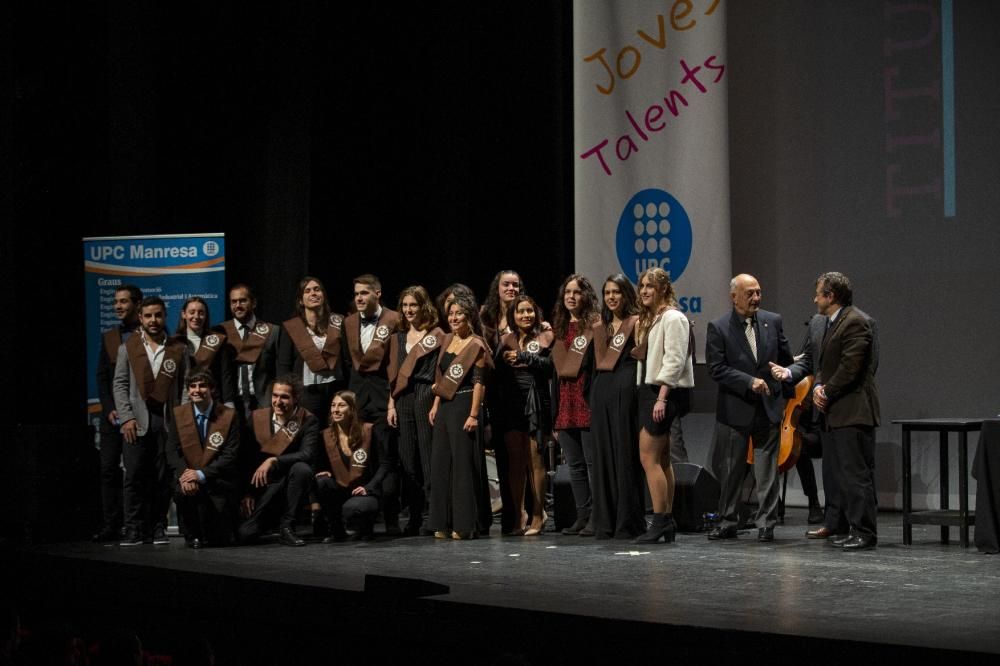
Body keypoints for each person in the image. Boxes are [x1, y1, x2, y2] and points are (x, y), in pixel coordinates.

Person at [774, 272, 880, 550]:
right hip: (832, 412)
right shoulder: (824, 323)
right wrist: (814, 382)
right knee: (836, 473)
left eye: (818, 293)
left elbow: (851, 367)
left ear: (831, 296)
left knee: (856, 475)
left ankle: (864, 531)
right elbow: (818, 363)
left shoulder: (856, 322)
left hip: (852, 410)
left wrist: (825, 389)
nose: (814, 298)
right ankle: (839, 523)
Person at [705, 273, 793, 542]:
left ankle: (766, 523)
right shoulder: (718, 327)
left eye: (758, 292)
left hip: (768, 408)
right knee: (731, 470)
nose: (756, 298)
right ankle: (728, 520)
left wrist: (785, 387)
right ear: (734, 297)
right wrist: (748, 381)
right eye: (749, 293)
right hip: (735, 409)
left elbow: (785, 360)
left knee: (767, 471)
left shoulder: (772, 321)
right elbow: (716, 369)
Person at [113, 296, 188, 546]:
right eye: (148, 316)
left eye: (157, 315)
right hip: (136, 422)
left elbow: (186, 386)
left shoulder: (178, 349)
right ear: (141, 318)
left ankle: (158, 527)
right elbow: (120, 385)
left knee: (162, 477)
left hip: (167, 422)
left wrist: (182, 420)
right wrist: (126, 418)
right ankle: (134, 529)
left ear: (165, 316)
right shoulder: (128, 348)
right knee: (134, 477)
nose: (153, 320)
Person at [632, 268, 694, 544]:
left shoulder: (673, 318)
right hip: (652, 389)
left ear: (663, 289)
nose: (645, 291)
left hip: (662, 391)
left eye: (650, 286)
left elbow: (676, 358)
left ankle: (658, 521)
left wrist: (661, 397)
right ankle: (666, 521)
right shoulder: (653, 318)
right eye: (642, 286)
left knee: (649, 458)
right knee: (663, 458)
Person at [427, 295, 492, 540]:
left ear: (469, 316)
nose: (453, 318)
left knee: (463, 465)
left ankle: (464, 524)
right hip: (444, 407)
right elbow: (440, 377)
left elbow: (479, 383)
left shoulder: (476, 344)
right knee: (441, 463)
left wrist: (474, 414)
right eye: (451, 314)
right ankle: (441, 521)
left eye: (459, 314)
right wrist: (435, 404)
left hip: (465, 404)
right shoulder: (449, 340)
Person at [343, 274, 401, 533]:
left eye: (364, 293)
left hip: (383, 397)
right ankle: (362, 517)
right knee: (362, 456)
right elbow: (347, 363)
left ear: (378, 293)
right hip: (358, 400)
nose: (359, 298)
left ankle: (391, 519)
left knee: (386, 457)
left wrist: (392, 399)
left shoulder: (394, 319)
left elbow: (398, 362)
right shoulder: (349, 322)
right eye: (356, 293)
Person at [589, 274, 646, 539]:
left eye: (617, 292)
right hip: (601, 392)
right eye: (607, 292)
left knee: (624, 454)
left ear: (626, 295)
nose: (611, 297)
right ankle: (605, 521)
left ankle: (627, 521)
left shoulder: (635, 323)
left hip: (625, 391)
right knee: (603, 456)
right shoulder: (599, 325)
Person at [387, 286, 446, 536]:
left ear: (424, 307)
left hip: (425, 395)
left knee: (428, 459)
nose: (409, 310)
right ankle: (413, 516)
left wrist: (436, 403)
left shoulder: (437, 335)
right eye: (405, 306)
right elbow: (392, 375)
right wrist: (391, 404)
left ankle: (434, 516)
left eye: (414, 305)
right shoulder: (397, 338)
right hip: (402, 400)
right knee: (408, 462)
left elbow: (439, 373)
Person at [237, 374, 320, 546]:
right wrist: (247, 492)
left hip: (291, 487)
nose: (278, 401)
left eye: (284, 397)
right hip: (263, 489)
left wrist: (274, 460)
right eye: (275, 396)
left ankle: (287, 527)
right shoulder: (256, 418)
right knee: (246, 534)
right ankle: (269, 526)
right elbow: (244, 458)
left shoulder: (307, 420)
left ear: (296, 398)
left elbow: (307, 454)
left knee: (301, 468)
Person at [495, 295, 554, 536]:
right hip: (511, 402)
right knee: (515, 463)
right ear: (513, 315)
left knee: (536, 461)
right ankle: (519, 514)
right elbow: (496, 372)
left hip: (536, 401)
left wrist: (524, 357)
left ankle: (539, 515)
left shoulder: (546, 335)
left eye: (530, 310)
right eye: (521, 311)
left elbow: (551, 368)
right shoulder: (505, 339)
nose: (525, 315)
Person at [165, 370, 240, 548]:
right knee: (181, 491)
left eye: (202, 385)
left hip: (217, 479)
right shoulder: (179, 414)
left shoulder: (229, 415)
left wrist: (200, 474)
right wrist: (185, 475)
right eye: (192, 386)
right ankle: (193, 535)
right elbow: (171, 450)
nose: (197, 390)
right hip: (189, 479)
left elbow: (230, 454)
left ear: (212, 389)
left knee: (220, 539)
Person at [550, 274, 600, 536]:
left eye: (577, 292)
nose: (571, 297)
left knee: (592, 465)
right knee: (575, 466)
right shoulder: (558, 330)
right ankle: (583, 514)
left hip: (586, 401)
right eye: (567, 292)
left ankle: (598, 517)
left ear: (585, 296)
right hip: (565, 405)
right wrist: (554, 414)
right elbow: (556, 375)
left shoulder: (593, 326)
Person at [93, 284, 142, 542]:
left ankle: (137, 524)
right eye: (116, 302)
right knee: (108, 470)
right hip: (113, 416)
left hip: (140, 414)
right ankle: (111, 524)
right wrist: (111, 408)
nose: (118, 306)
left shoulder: (151, 333)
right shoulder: (110, 337)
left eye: (123, 301)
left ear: (137, 304)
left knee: (135, 472)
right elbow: (103, 378)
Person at [315, 391, 394, 541]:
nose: (335, 410)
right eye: (333, 405)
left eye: (341, 405)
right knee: (322, 482)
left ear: (352, 409)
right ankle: (337, 531)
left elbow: (385, 464)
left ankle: (365, 527)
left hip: (364, 492)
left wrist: (369, 487)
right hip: (340, 490)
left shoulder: (369, 430)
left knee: (353, 508)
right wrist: (322, 471)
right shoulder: (325, 435)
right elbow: (318, 464)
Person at [277, 276, 346, 427]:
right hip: (307, 393)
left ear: (323, 295)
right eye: (307, 291)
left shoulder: (339, 322)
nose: (313, 293)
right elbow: (284, 366)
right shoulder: (292, 328)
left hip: (335, 390)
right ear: (301, 300)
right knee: (311, 435)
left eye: (317, 289)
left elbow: (347, 360)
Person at [218, 283, 281, 424]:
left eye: (243, 300)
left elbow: (279, 370)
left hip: (264, 401)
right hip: (232, 402)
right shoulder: (221, 332)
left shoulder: (272, 332)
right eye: (233, 302)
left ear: (254, 303)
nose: (238, 305)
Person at [174, 296, 234, 406]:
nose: (196, 316)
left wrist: (229, 403)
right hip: (183, 402)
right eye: (192, 312)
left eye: (201, 313)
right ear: (184, 314)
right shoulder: (175, 342)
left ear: (206, 316)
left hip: (213, 402)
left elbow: (225, 376)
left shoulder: (218, 341)